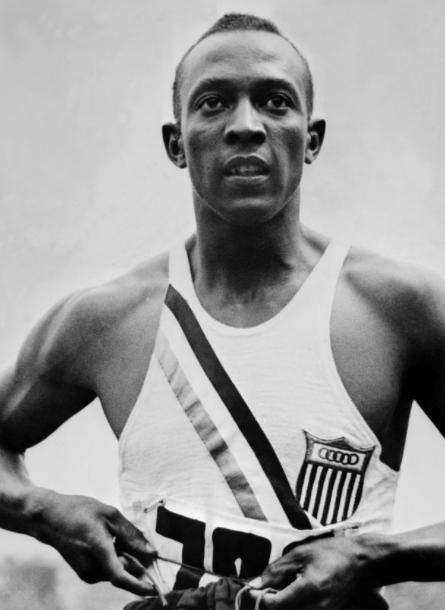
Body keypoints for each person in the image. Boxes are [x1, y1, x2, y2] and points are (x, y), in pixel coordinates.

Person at [1, 12, 445, 610]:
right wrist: (42, 511)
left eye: (275, 102)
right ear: (176, 143)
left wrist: (379, 557)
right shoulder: (107, 321)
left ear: (311, 139)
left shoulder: (396, 309)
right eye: (213, 104)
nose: (245, 126)